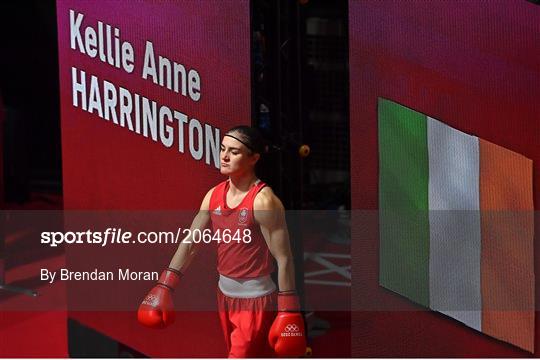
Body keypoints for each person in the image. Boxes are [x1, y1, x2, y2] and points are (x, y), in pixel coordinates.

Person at [137, 126, 306, 358]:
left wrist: (288, 309)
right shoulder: (214, 194)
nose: (224, 156)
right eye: (223, 149)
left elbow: (284, 257)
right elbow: (191, 243)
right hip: (224, 296)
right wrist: (165, 284)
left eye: (234, 152)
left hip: (255, 302)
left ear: (253, 158)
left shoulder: (263, 201)